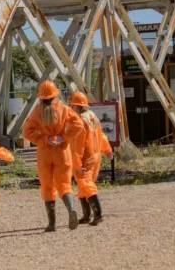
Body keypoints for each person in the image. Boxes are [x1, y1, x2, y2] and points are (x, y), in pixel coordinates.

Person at [23, 80, 84, 232]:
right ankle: (71, 209)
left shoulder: (37, 112)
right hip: (62, 152)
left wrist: (44, 139)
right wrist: (64, 137)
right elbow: (78, 125)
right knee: (64, 184)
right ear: (55, 95)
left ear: (41, 98)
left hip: (45, 152)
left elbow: (27, 132)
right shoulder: (63, 109)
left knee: (48, 187)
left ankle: (52, 224)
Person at [70, 91, 113, 225]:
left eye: (72, 105)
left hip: (85, 158)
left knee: (85, 183)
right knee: (84, 185)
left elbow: (78, 145)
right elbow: (102, 136)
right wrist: (107, 150)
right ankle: (86, 216)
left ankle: (98, 214)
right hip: (95, 156)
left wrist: (77, 165)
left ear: (77, 106)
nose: (71, 108)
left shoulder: (80, 121)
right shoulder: (92, 116)